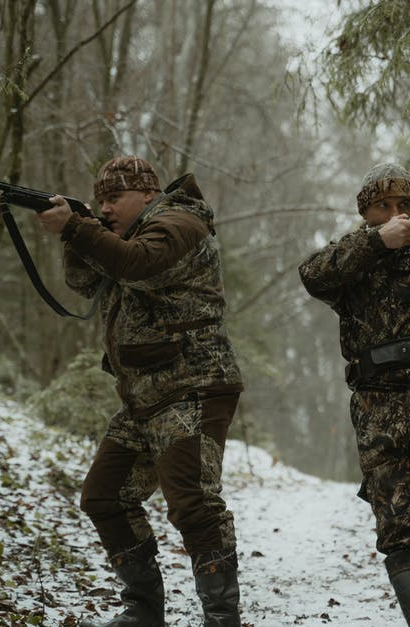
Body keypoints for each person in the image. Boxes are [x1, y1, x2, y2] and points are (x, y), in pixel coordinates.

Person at [35, 156, 244, 627]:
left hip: (194, 387)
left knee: (194, 506)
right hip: (144, 396)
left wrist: (79, 228)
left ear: (148, 193)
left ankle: (222, 618)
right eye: (100, 199)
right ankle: (144, 612)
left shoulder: (179, 223)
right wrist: (77, 228)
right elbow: (85, 280)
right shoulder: (122, 234)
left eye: (114, 199)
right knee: (104, 496)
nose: (105, 208)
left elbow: (137, 265)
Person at [298, 162, 410, 626]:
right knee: (402, 529)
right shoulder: (353, 255)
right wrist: (377, 243)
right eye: (384, 206)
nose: (397, 213)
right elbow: (312, 275)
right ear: (366, 212)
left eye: (404, 205)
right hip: (377, 409)